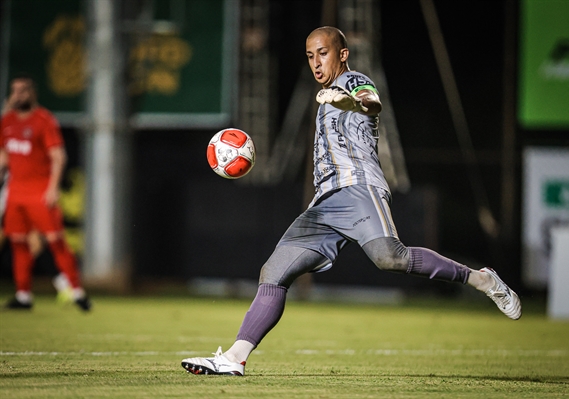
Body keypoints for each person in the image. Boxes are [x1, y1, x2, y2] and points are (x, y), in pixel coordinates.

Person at [181, 27, 520, 376]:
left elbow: (372, 101)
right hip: (325, 202)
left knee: (390, 257)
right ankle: (234, 358)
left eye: (323, 53)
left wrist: (351, 100)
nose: (316, 62)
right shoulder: (324, 97)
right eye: (310, 55)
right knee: (273, 272)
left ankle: (481, 280)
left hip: (358, 189)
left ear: (342, 54)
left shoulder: (354, 80)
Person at [0, 73, 91, 311]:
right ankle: (23, 295)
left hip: (39, 192)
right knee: (18, 243)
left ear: (33, 93)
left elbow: (58, 156)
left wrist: (52, 189)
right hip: (15, 193)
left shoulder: (43, 120)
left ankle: (77, 291)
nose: (18, 95)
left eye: (23, 90)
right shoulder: (7, 122)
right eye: (15, 91)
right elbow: (3, 156)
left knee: (55, 241)